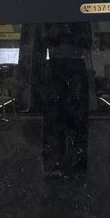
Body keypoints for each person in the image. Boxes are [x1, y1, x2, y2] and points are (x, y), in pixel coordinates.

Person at [41, 22, 92, 179]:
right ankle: (65, 164)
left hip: (67, 64)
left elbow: (86, 41)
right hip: (65, 64)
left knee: (72, 118)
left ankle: (66, 164)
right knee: (60, 117)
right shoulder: (57, 20)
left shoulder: (56, 20)